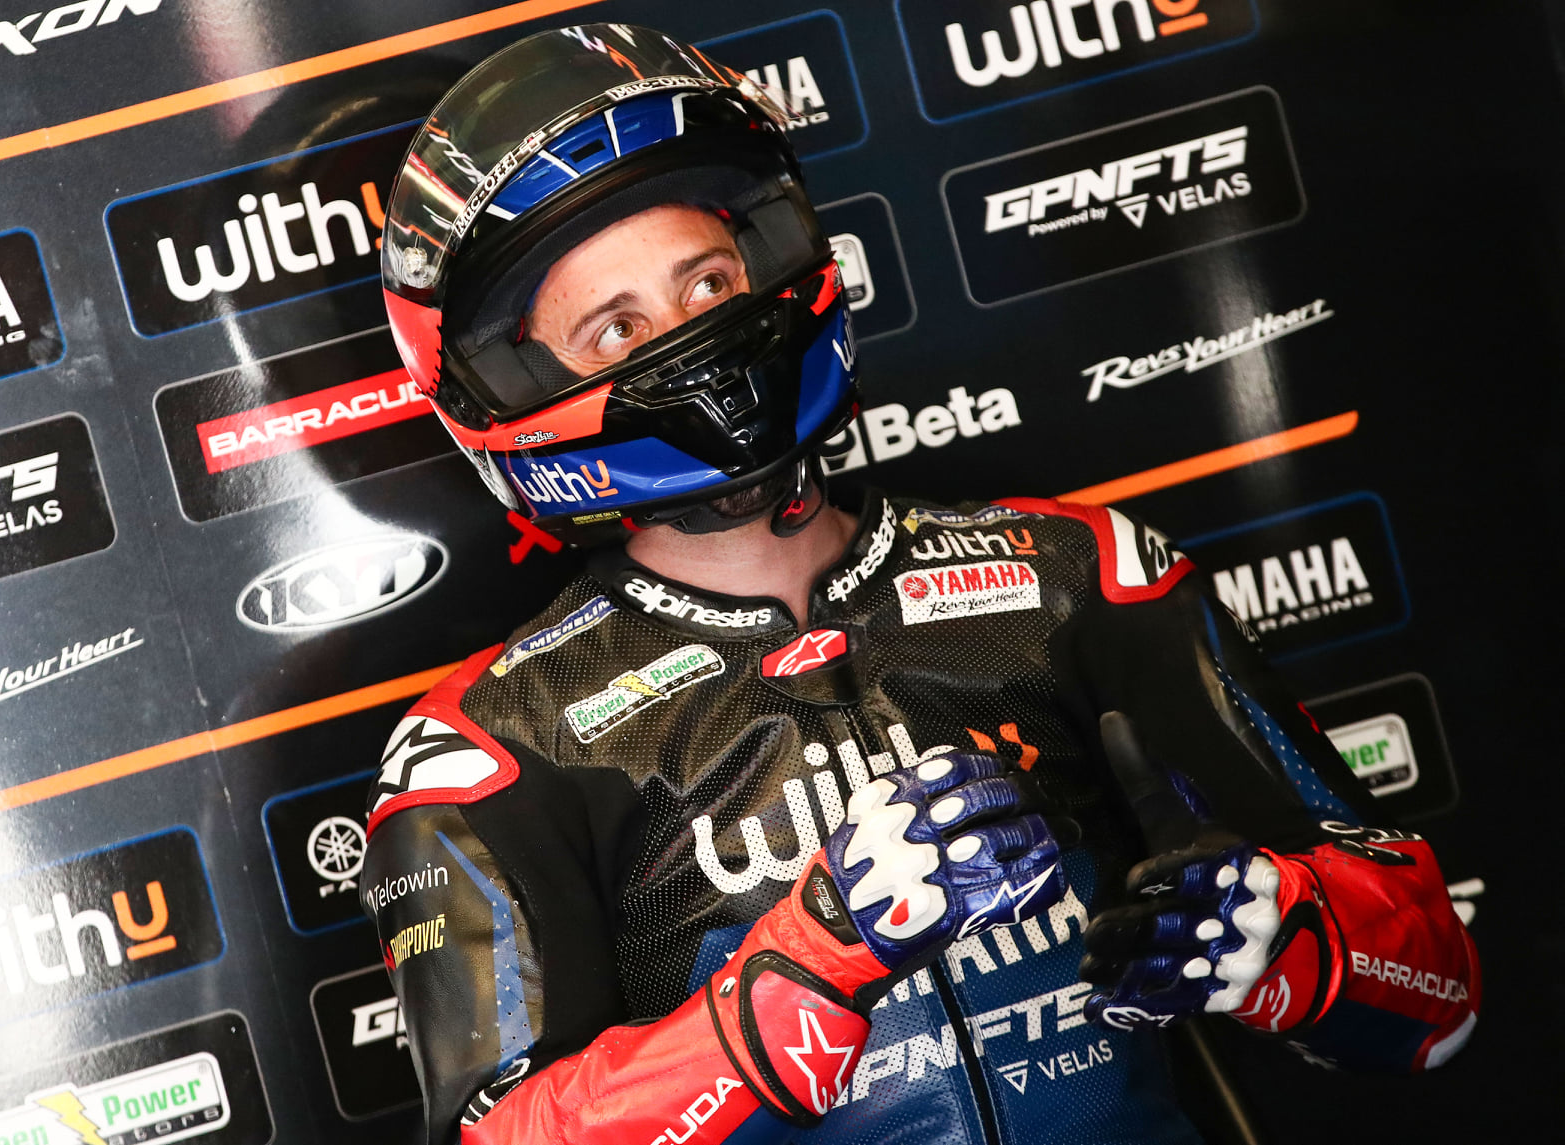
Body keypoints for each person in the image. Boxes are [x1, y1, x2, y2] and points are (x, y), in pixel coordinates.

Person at [361, 24, 1479, 1145]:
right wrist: (813, 958)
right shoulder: (495, 744)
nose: (694, 335)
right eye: (618, 326)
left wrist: (1286, 942)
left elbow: (1439, 997)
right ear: (516, 385)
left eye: (707, 280)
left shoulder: (1079, 575)